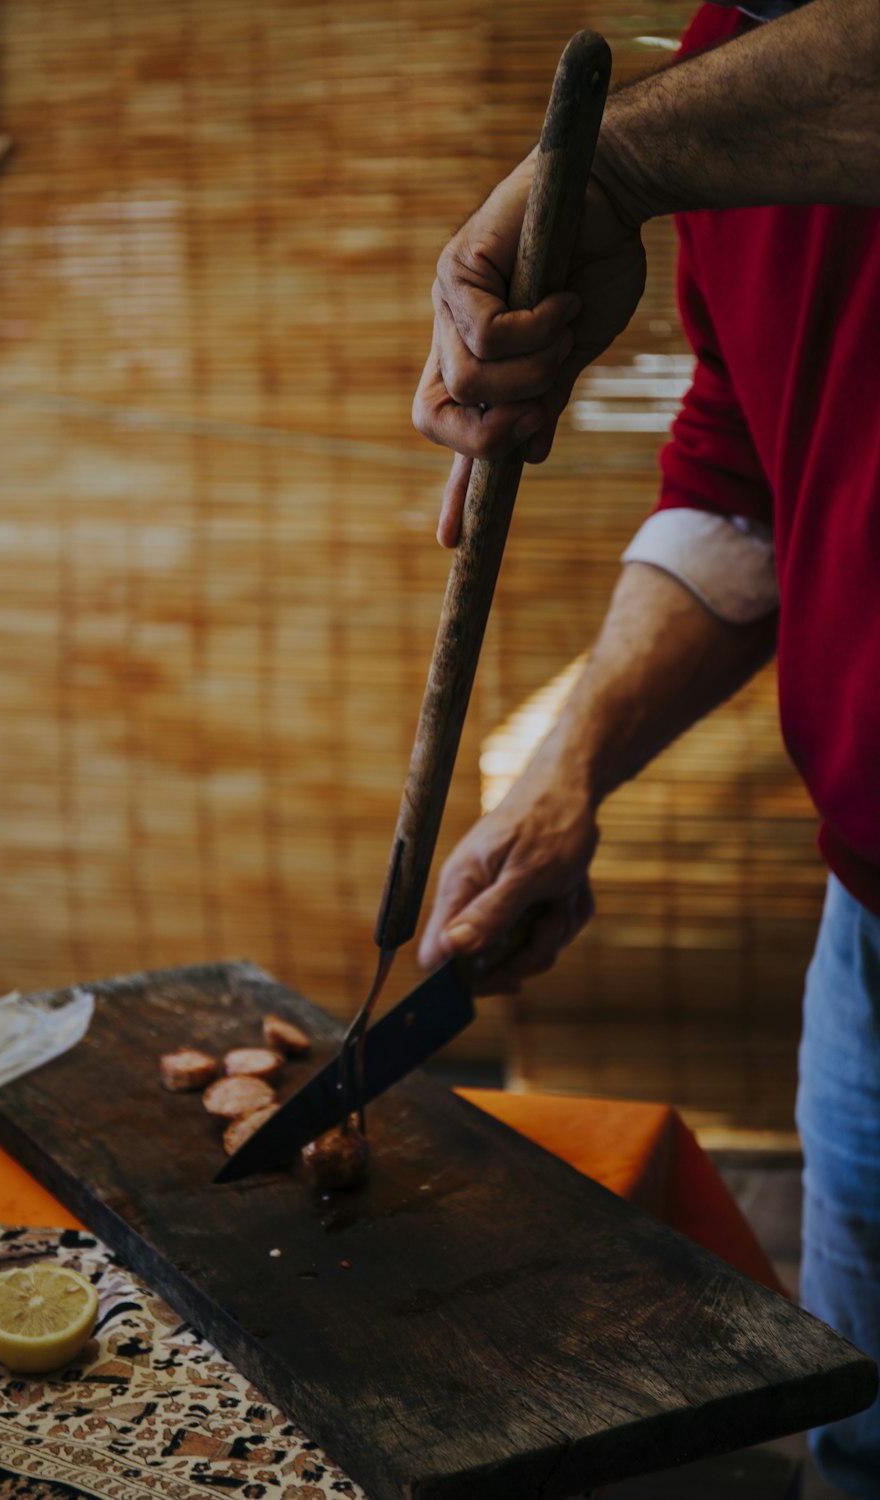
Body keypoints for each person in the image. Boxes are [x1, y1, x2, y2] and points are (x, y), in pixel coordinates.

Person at [411, 2, 880, 1495]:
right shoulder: (731, 50)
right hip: (869, 933)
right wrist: (566, 776)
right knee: (860, 1447)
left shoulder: (682, 124)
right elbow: (747, 474)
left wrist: (613, 167)